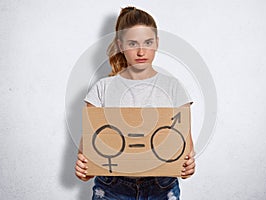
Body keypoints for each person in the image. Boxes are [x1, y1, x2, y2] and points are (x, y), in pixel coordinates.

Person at [75, 6, 196, 199]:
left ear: (157, 43)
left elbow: (185, 152)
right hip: (112, 188)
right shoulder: (102, 89)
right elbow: (88, 156)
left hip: (161, 187)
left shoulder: (174, 87)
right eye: (132, 44)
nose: (141, 51)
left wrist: (188, 165)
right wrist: (83, 168)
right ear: (120, 45)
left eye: (148, 42)